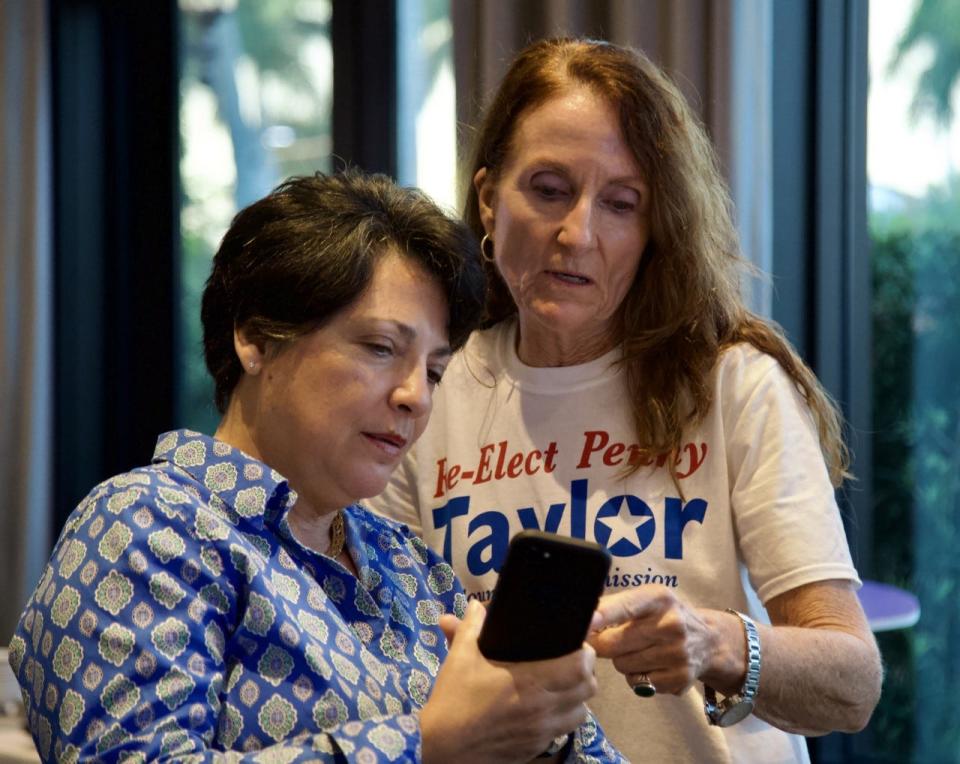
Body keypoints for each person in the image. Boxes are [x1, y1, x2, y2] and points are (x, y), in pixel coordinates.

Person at [369, 38, 883, 762]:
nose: (577, 234)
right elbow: (374, 647)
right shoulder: (430, 385)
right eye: (548, 190)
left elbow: (852, 685)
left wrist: (716, 643)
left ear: (653, 227)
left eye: (620, 203)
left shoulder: (731, 383)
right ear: (488, 198)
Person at [9, 170, 624, 763]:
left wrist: (540, 731)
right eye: (381, 348)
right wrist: (428, 746)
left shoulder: (406, 562)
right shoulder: (146, 527)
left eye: (434, 371)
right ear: (255, 338)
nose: (417, 395)